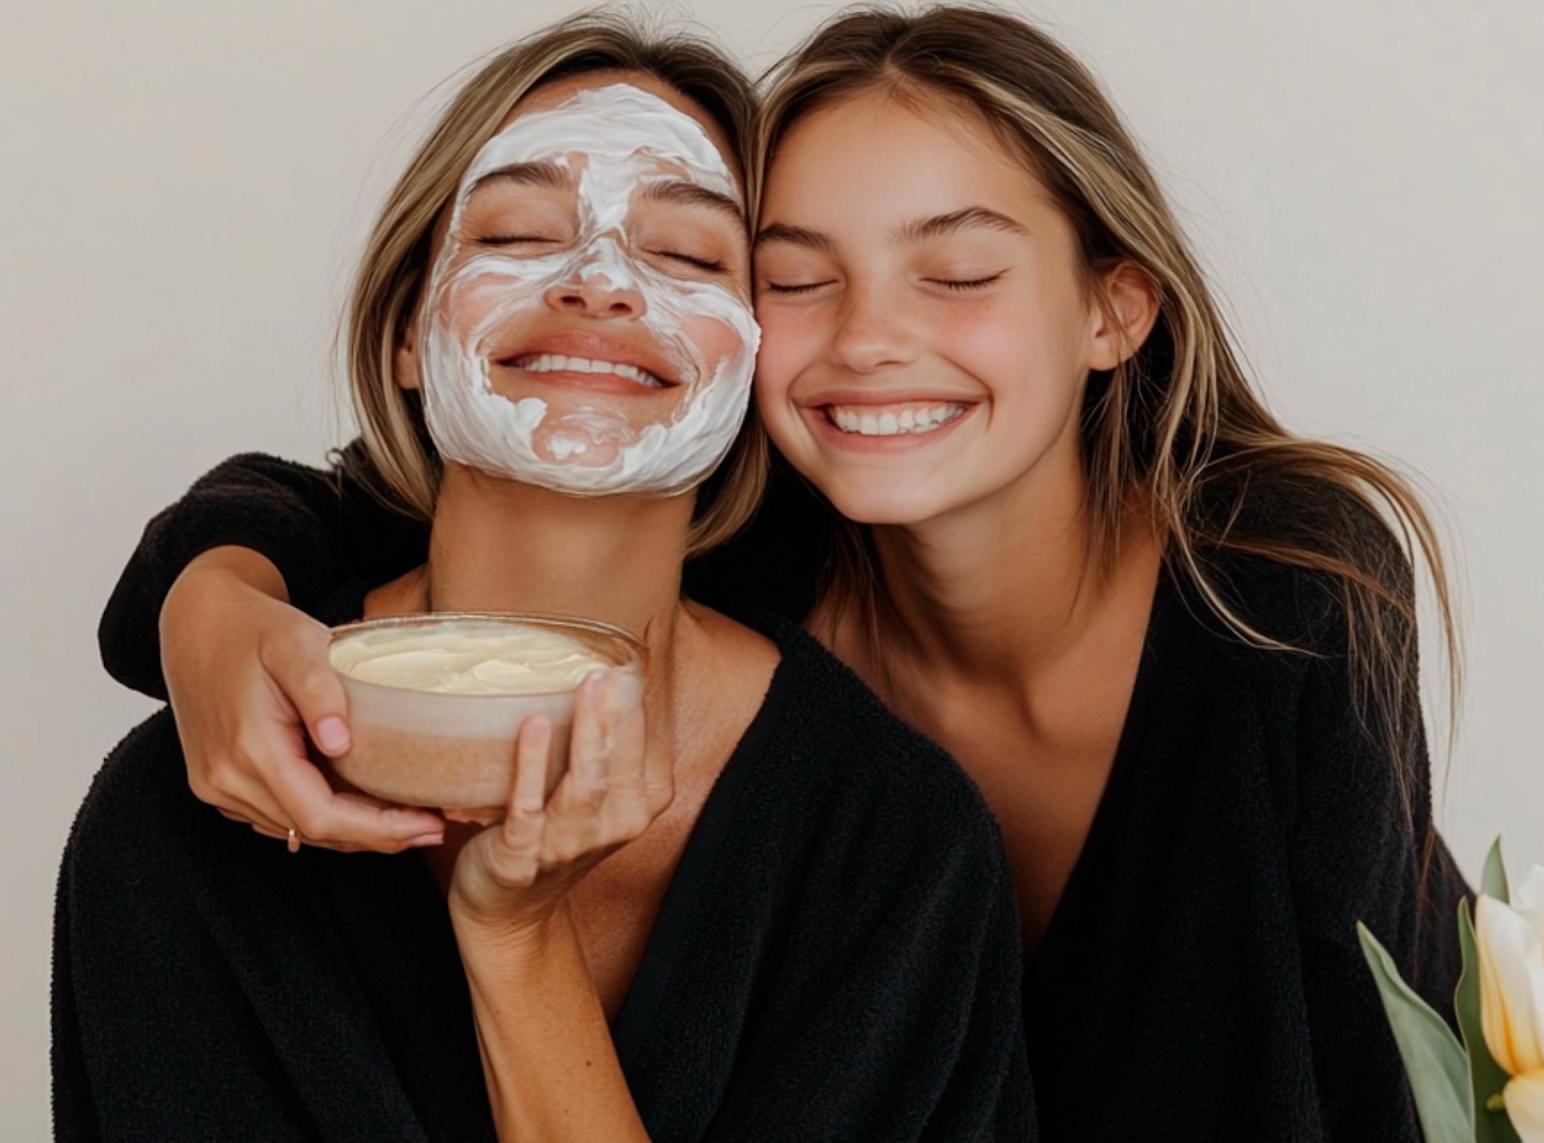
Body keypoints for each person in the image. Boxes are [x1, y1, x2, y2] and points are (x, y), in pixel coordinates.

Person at [90, 6, 1470, 1140]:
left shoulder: (1276, 600)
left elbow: (1378, 1078)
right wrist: (206, 598)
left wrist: (513, 939)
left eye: (958, 273)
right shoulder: (773, 541)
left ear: (1114, 303)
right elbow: (379, 493)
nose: (869, 340)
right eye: (802, 277)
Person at [53, 15, 1036, 1142]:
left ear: (756, 358)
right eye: (521, 234)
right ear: (405, 335)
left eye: (687, 255)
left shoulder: (893, 847)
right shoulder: (179, 825)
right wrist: (209, 585)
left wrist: (517, 946)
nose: (602, 283)